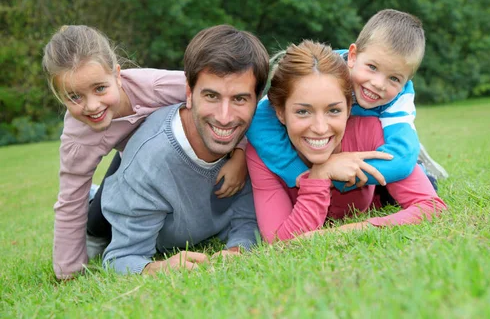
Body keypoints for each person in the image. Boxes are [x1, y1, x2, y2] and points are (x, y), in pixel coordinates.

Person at [42, 25, 248, 280]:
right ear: (60, 96)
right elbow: (69, 199)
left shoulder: (159, 85)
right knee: (100, 220)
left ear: (117, 75)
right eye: (74, 97)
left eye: (100, 89)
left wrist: (239, 154)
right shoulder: (78, 139)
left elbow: (225, 101)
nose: (92, 105)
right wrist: (67, 272)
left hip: (156, 154)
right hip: (129, 162)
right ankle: (94, 217)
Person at [101, 24, 269, 275]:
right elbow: (121, 257)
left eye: (239, 99)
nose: (225, 117)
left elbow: (249, 219)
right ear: (189, 94)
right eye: (211, 96)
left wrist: (239, 249)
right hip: (115, 207)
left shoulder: (257, 137)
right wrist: (158, 268)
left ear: (256, 101)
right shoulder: (150, 164)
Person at [246, 40, 446, 242]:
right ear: (280, 112)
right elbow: (279, 241)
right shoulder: (264, 152)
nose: (320, 128)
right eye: (303, 111)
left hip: (382, 190)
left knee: (407, 181)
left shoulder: (370, 130)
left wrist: (344, 232)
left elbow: (432, 207)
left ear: (349, 108)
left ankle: (418, 161)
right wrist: (318, 177)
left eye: (334, 110)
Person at [246, 9, 448, 199]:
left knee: (412, 174)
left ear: (406, 82)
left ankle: (419, 162)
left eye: (394, 78)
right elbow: (259, 119)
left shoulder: (400, 97)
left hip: (373, 134)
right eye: (372, 67)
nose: (378, 84)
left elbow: (402, 159)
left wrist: (339, 173)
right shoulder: (325, 73)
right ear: (352, 56)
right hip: (329, 137)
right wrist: (297, 172)